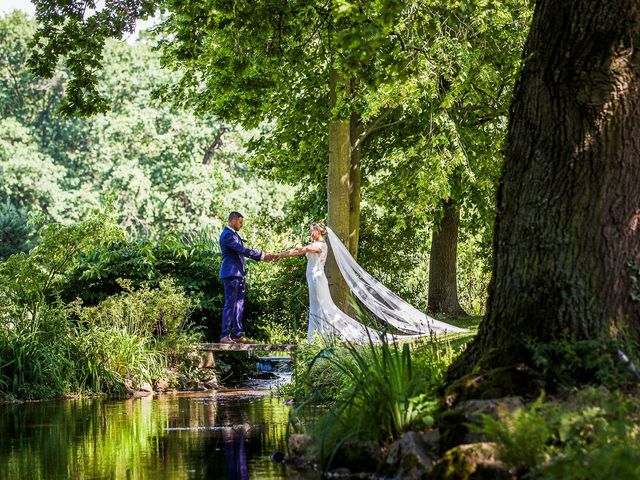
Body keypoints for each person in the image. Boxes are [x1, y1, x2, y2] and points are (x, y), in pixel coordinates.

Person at [275, 222, 467, 343]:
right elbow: (300, 249)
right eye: (311, 230)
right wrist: (283, 254)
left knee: (322, 308)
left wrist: (283, 254)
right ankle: (318, 337)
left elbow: (303, 249)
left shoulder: (319, 245)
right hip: (314, 279)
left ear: (319, 232)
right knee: (316, 308)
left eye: (313, 230)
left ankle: (318, 338)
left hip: (317, 280)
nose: (311, 232)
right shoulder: (315, 244)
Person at [219, 212, 275, 344]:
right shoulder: (227, 235)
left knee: (239, 304)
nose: (241, 225)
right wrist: (262, 256)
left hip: (238, 274)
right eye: (240, 222)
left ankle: (238, 335)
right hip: (231, 274)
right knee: (230, 304)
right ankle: (224, 336)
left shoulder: (233, 234)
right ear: (232, 220)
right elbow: (241, 250)